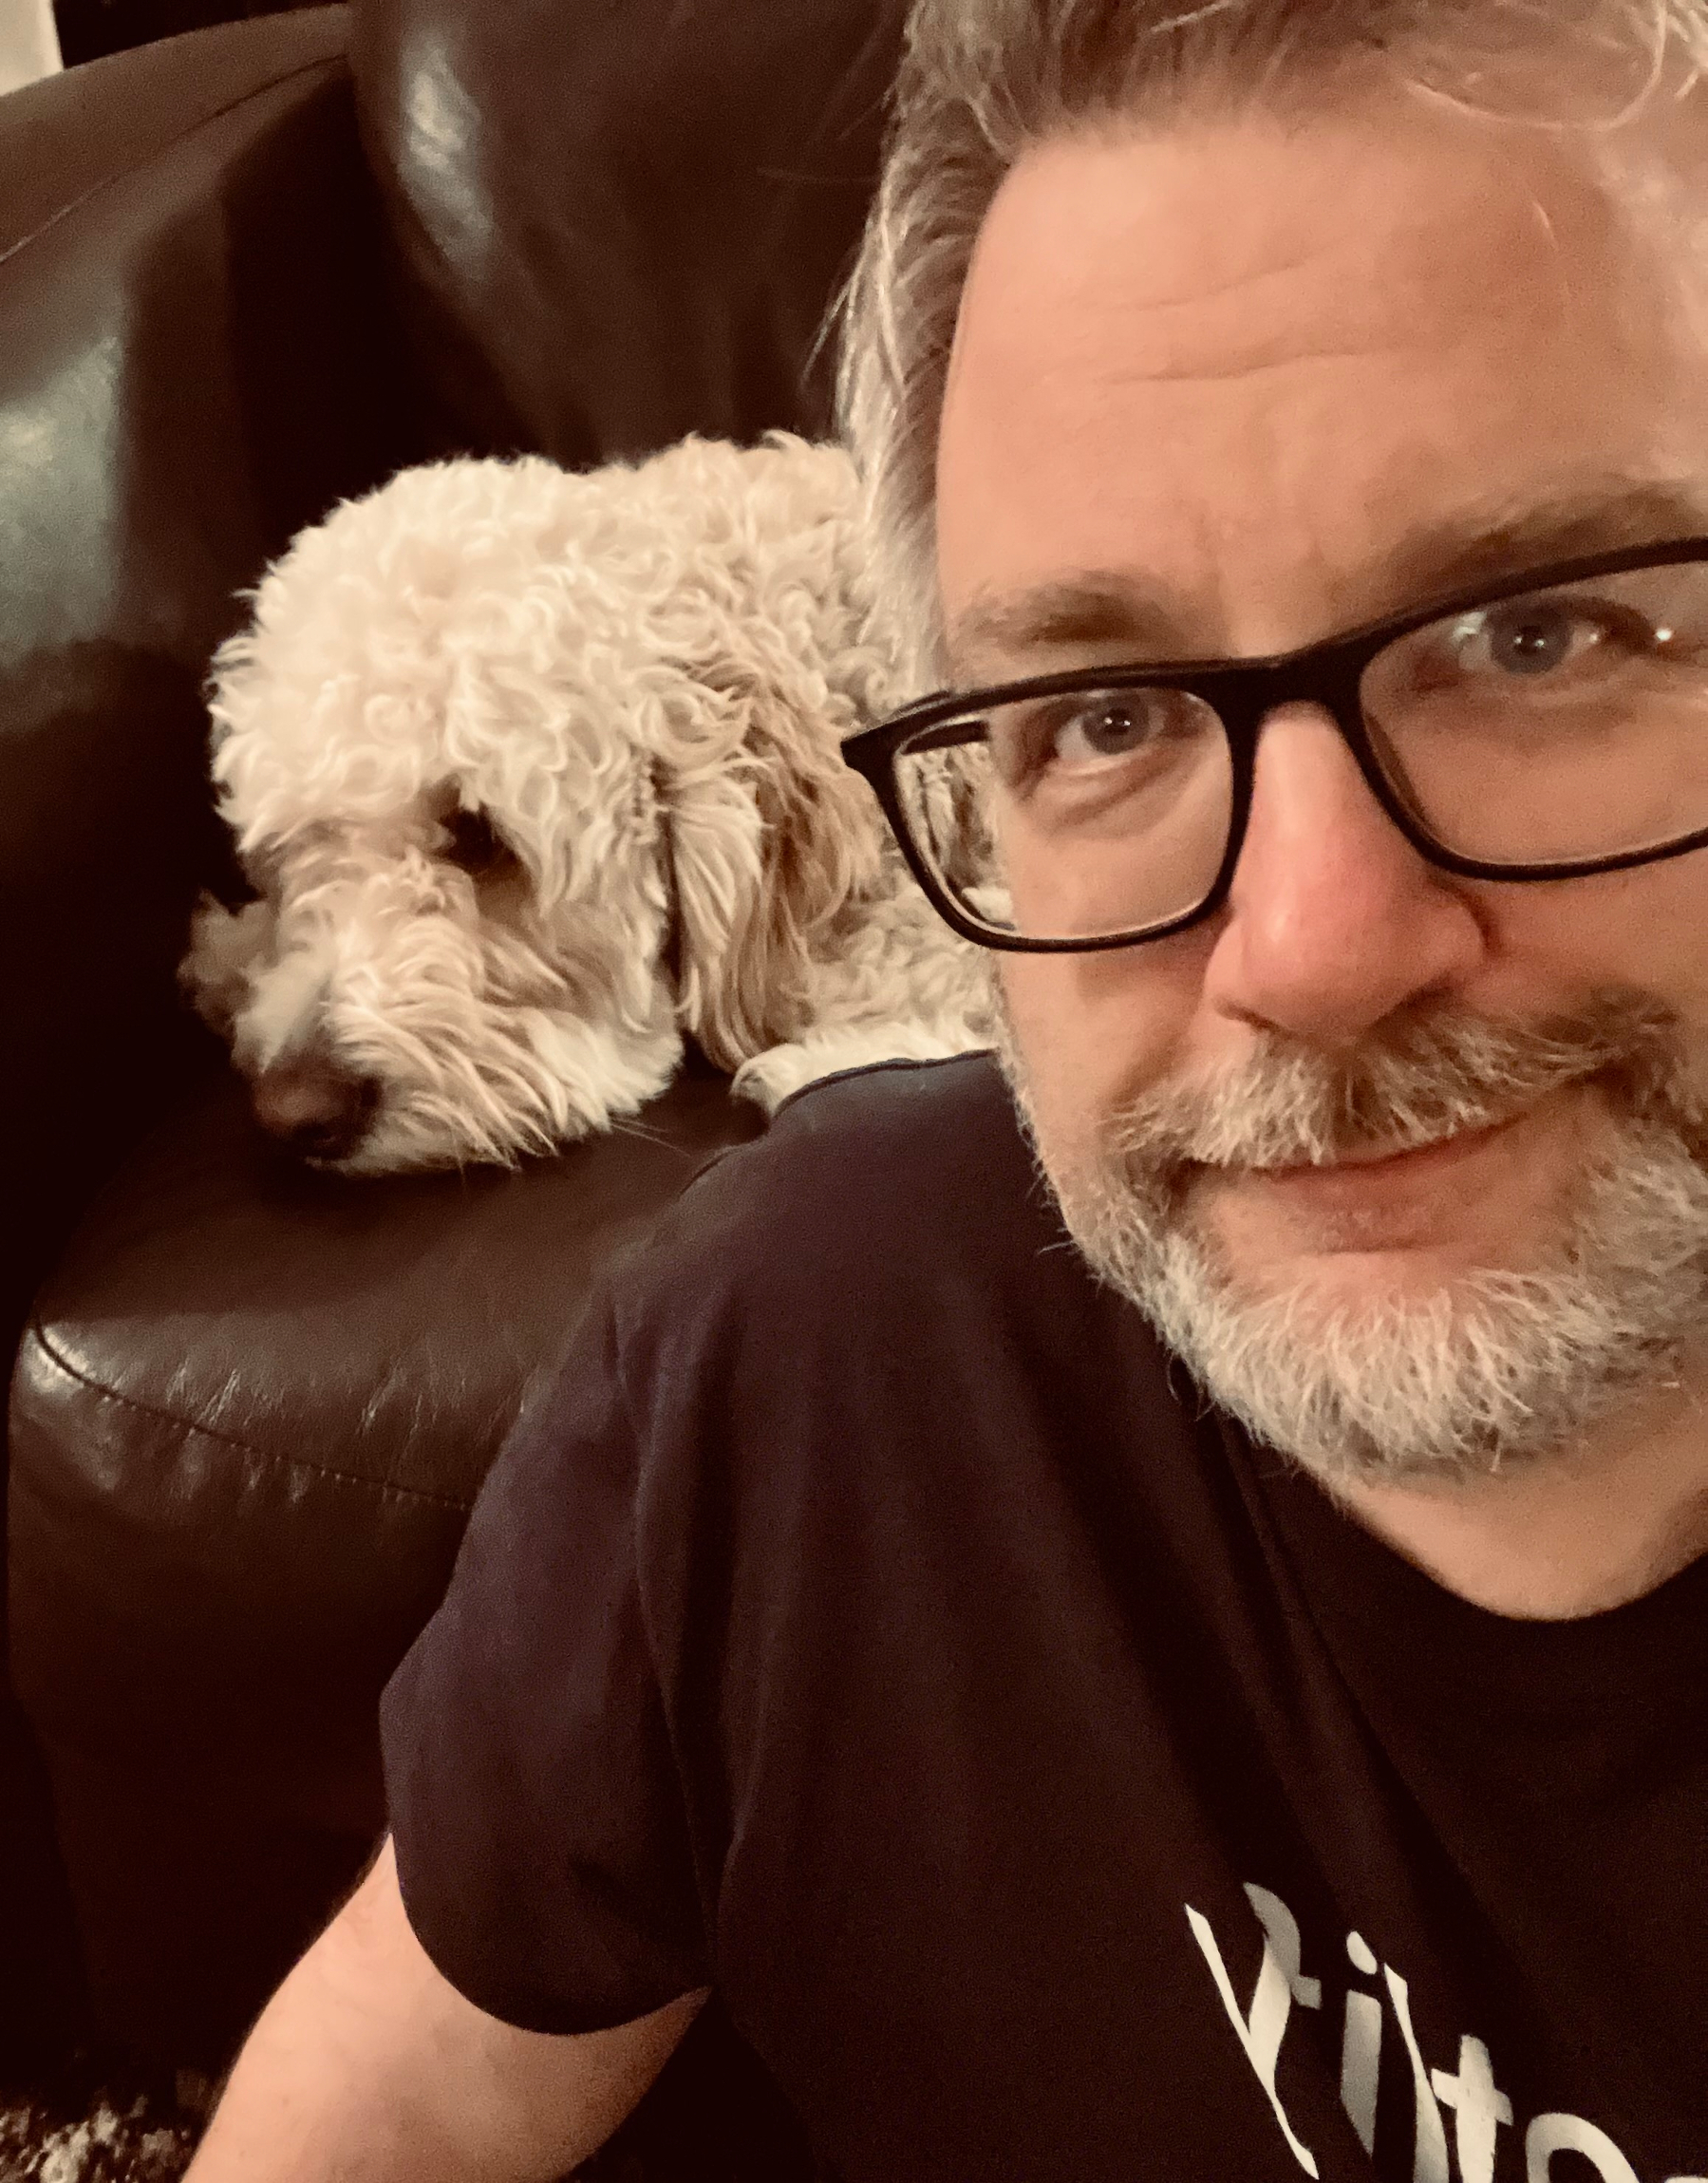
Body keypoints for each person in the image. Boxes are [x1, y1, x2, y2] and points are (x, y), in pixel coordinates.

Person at [184, 2, 1708, 2175]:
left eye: (1535, 637)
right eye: (1106, 717)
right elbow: (402, 2085)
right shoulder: (802, 1356)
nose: (1307, 949)